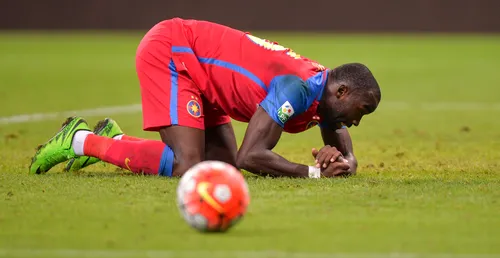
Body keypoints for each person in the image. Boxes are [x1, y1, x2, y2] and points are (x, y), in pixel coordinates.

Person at [29, 18, 381, 178]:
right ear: (342, 92)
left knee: (220, 171)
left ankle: (115, 140)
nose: (356, 121)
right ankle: (81, 140)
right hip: (174, 52)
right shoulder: (299, 88)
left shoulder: (324, 93)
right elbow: (251, 155)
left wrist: (346, 161)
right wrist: (314, 173)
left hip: (204, 76)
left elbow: (339, 137)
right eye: (360, 111)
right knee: (190, 166)